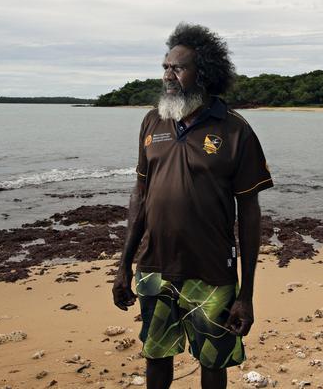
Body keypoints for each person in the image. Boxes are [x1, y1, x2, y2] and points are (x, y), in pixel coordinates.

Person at [112, 23, 273, 389]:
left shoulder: (234, 131)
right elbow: (140, 193)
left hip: (212, 271)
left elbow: (249, 214)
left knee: (212, 363)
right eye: (165, 67)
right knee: (156, 356)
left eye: (178, 68)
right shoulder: (153, 121)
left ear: (204, 74)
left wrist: (246, 294)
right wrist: (123, 265)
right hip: (154, 267)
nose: (168, 75)